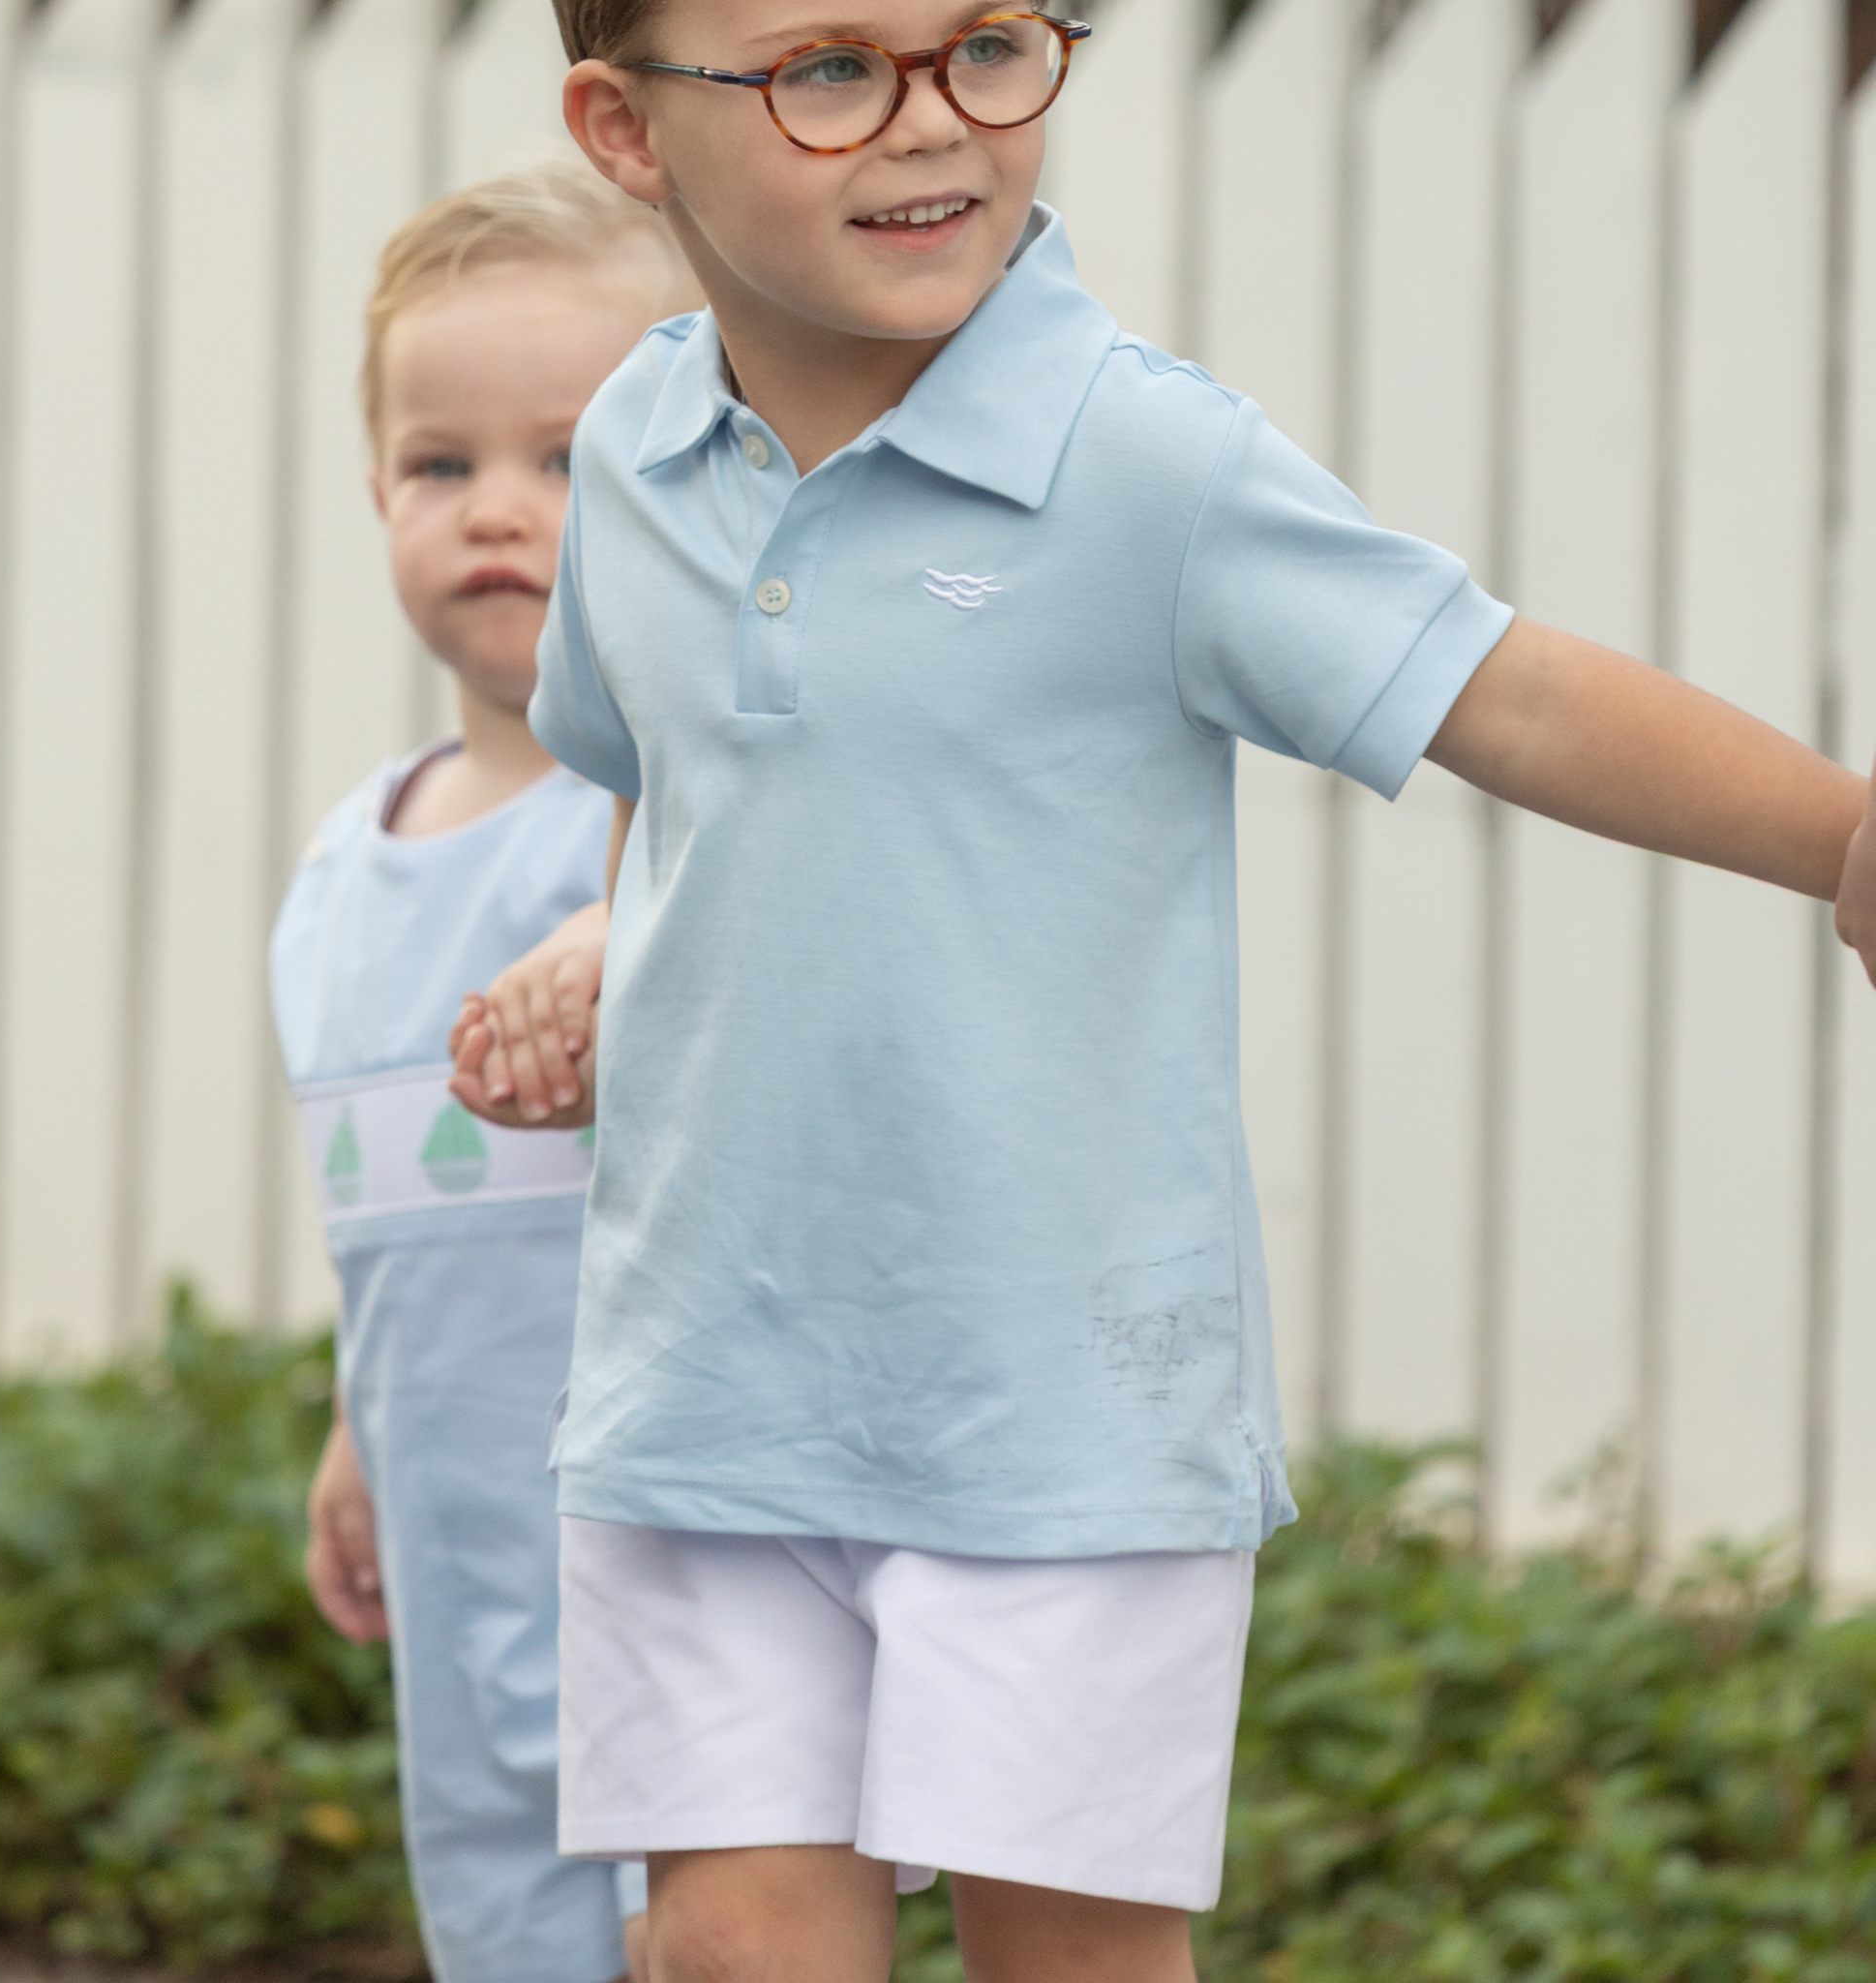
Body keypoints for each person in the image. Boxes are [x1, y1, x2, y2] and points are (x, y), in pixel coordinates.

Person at [446, 9, 1876, 1980]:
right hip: (706, 1384)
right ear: (625, 129)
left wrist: (1842, 838)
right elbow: (677, 791)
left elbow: (1509, 689)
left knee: (1072, 1958)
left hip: (1060, 1415)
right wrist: (610, 948)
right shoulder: (632, 446)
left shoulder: (1143, 460)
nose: (931, 123)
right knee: (725, 1945)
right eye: (831, 69)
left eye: (989, 45)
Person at [270, 156, 695, 1983]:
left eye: (566, 458)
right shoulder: (340, 874)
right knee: (501, 1927)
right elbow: (390, 1229)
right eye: (444, 467)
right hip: (455, 1564)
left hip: (670, 1559)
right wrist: (361, 1434)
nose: (499, 511)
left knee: (697, 1924)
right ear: (378, 494)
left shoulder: (665, 823)